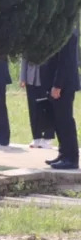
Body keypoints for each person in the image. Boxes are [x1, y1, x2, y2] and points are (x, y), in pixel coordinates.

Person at [45, 29, 80, 170]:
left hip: (64, 85)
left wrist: (58, 85)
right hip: (56, 82)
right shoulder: (60, 30)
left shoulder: (68, 32)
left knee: (65, 120)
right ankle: (63, 153)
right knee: (58, 120)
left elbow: (66, 62)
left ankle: (71, 158)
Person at [21, 57, 55, 149]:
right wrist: (23, 77)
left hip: (48, 77)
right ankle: (36, 137)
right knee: (33, 108)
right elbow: (25, 57)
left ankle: (48, 137)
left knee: (48, 107)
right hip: (31, 77)